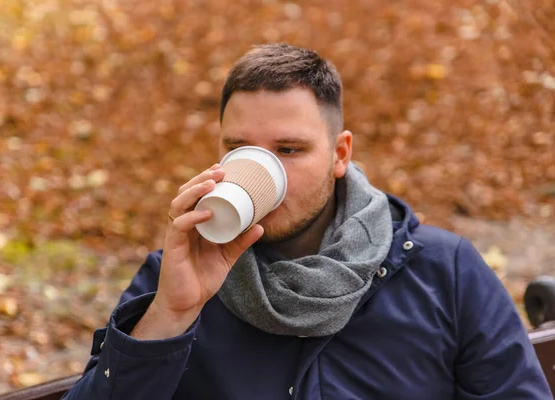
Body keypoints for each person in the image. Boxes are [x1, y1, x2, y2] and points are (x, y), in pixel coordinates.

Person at [63, 43, 551, 399]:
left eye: (289, 151)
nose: (261, 170)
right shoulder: (173, 277)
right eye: (240, 150)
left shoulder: (444, 273)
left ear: (340, 155)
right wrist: (170, 316)